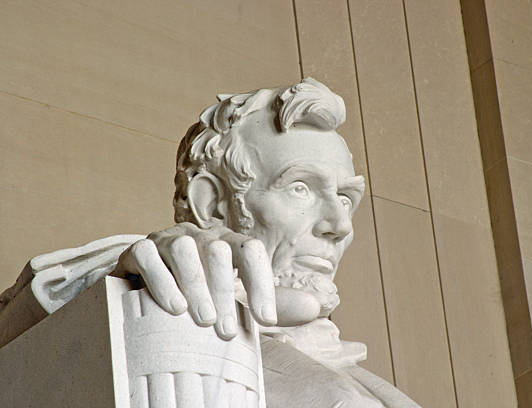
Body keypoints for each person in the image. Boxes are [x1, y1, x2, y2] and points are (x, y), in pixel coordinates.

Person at [0, 78, 420, 407]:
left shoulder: (378, 391)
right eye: (300, 189)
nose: (340, 225)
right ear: (213, 204)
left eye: (346, 197)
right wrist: (123, 279)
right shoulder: (155, 308)